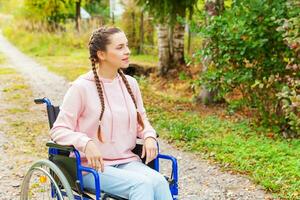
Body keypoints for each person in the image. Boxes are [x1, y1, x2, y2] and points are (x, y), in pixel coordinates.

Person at [50, 26, 173, 200]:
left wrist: (149, 136)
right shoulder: (81, 87)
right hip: (91, 168)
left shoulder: (131, 84)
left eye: (127, 45)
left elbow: (142, 122)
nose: (127, 51)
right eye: (120, 47)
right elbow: (58, 130)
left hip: (127, 162)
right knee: (141, 185)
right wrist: (86, 143)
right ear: (101, 54)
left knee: (159, 181)